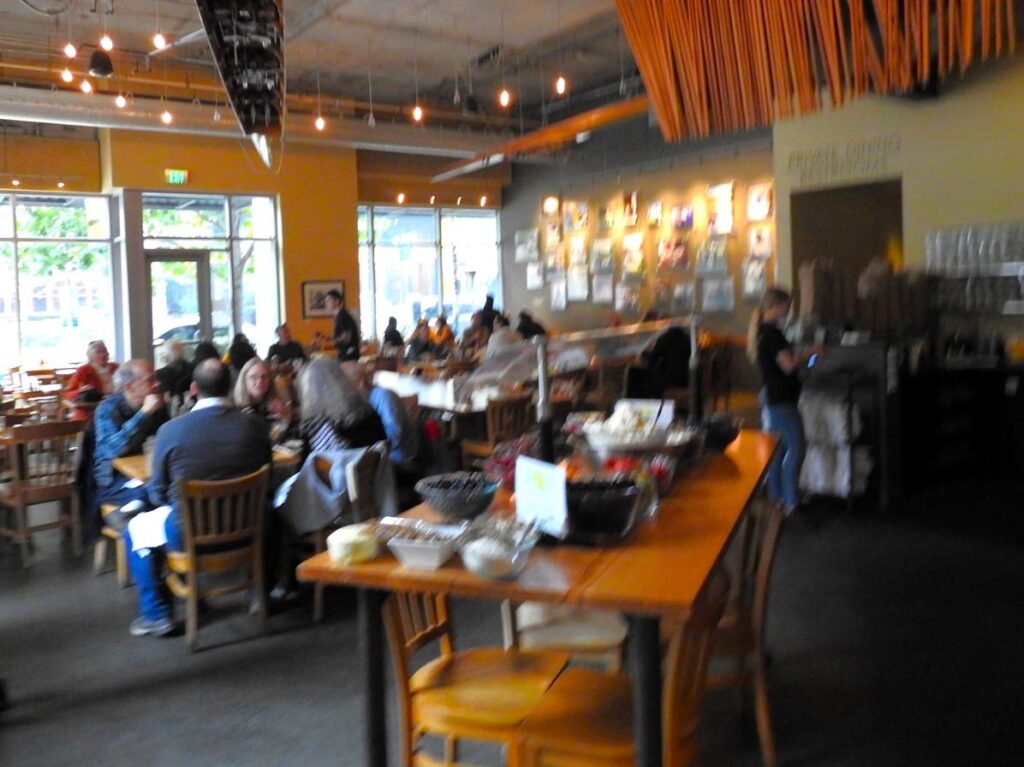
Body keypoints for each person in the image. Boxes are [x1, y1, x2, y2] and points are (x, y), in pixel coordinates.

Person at [123, 360, 272, 637]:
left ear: (193, 389)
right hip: (249, 530)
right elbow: (268, 474)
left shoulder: (171, 431)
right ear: (231, 386)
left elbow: (158, 491)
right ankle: (262, 593)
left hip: (187, 534)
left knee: (135, 529)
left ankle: (157, 614)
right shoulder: (255, 426)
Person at [748, 288, 815, 514]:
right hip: (782, 399)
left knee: (776, 451)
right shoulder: (773, 335)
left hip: (770, 397)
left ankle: (776, 499)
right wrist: (811, 353)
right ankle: (790, 498)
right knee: (796, 447)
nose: (788, 310)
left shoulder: (760, 333)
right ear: (775, 306)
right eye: (786, 306)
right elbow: (789, 365)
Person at [92, 360, 169, 520]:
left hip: (149, 474)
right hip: (114, 480)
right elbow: (113, 450)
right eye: (150, 380)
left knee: (173, 491)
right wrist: (144, 413)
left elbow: (167, 440)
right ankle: (125, 524)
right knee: (149, 495)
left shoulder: (158, 405)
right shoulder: (107, 408)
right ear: (129, 387)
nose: (157, 384)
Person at [295, 357, 386, 455]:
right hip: (377, 463)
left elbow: (305, 461)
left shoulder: (313, 427)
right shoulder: (366, 410)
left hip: (338, 465)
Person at [341, 362, 422, 471]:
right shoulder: (364, 399)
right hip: (385, 457)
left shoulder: (383, 396)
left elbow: (395, 437)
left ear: (360, 382)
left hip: (399, 460)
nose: (344, 392)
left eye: (346, 386)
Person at [65, 340, 119, 419]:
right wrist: (80, 391)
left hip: (115, 407)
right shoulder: (83, 370)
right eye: (98, 352)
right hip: (91, 412)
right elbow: (67, 394)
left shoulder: (116, 368)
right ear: (91, 355)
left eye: (105, 352)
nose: (103, 354)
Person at [234, 357, 293, 428]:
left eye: (264, 377)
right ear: (244, 380)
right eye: (253, 377)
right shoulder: (234, 409)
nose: (260, 381)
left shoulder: (273, 403)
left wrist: (285, 416)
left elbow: (282, 429)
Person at [325, 289, 361, 361]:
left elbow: (346, 338)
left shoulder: (343, 316)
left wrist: (333, 341)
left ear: (337, 301)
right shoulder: (340, 316)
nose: (326, 303)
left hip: (349, 355)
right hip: (346, 354)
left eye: (328, 300)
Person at [155, 340, 192, 407]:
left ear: (166, 354)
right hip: (191, 405)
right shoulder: (194, 368)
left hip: (171, 408)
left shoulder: (161, 374)